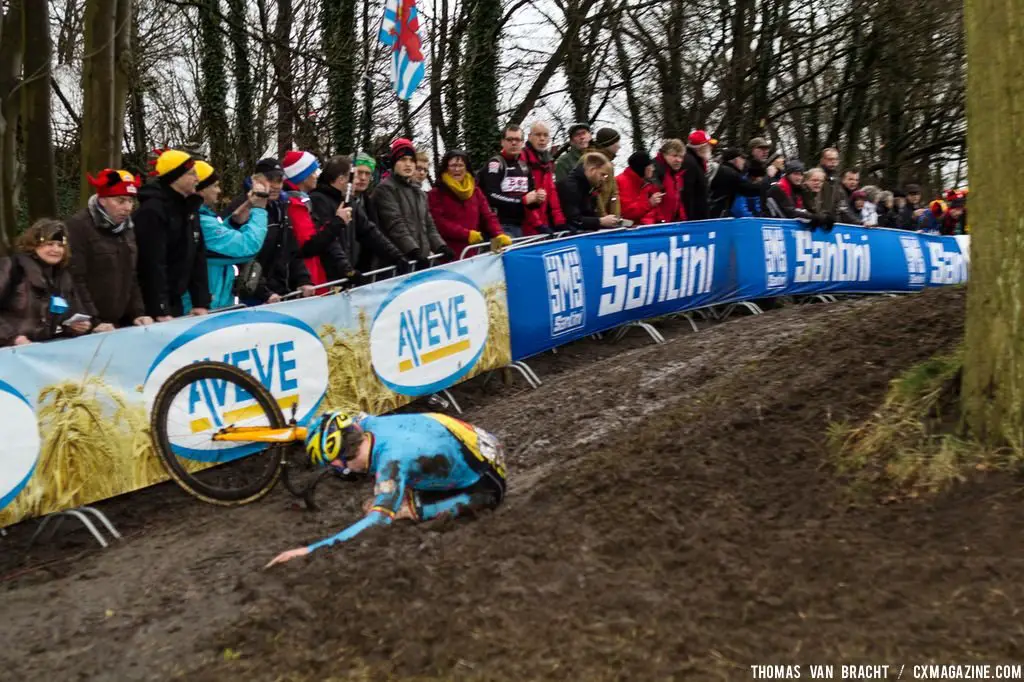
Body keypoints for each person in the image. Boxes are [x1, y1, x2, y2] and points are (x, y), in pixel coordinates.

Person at [265, 410, 507, 566]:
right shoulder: (366, 425)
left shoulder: (392, 461)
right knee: (382, 497)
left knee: (390, 511)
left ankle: (422, 504)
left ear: (339, 463)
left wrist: (308, 551)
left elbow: (377, 522)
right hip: (475, 444)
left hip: (486, 484)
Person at [65, 168, 152, 331]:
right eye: (121, 200)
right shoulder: (78, 226)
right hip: (89, 326)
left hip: (118, 323)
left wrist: (137, 313)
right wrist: (93, 321)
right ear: (103, 200)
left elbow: (131, 276)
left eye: (131, 201)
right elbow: (75, 280)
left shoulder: (127, 228)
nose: (128, 207)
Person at [224, 158, 315, 304]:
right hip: (251, 296)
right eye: (270, 180)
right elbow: (241, 255)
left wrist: (303, 279)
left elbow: (292, 251)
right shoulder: (241, 207)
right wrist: (263, 293)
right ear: (256, 180)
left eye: (279, 180)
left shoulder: (281, 208)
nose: (276, 186)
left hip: (280, 294)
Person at [134, 149, 210, 320]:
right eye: (192, 174)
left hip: (176, 301)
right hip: (152, 306)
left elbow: (198, 257)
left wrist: (201, 301)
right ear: (176, 177)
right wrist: (160, 308)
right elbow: (152, 264)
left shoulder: (190, 208)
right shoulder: (152, 211)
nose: (197, 179)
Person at [308, 155, 409, 278]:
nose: (357, 181)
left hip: (346, 272)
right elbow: (329, 242)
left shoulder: (349, 201)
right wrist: (347, 270)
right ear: (341, 179)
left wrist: (396, 256)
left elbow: (368, 231)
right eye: (355, 177)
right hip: (328, 277)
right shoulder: (319, 200)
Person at [190, 161, 269, 310]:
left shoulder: (202, 218)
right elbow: (247, 247)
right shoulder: (202, 222)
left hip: (214, 304)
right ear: (201, 190)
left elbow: (217, 247)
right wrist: (259, 209)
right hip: (202, 310)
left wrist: (235, 219)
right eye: (215, 186)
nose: (219, 191)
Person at [0, 219, 92, 346]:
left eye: (60, 245)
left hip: (45, 351)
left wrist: (75, 327)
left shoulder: (64, 276)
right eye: (50, 244)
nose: (56, 249)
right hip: (10, 353)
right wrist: (12, 338)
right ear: (34, 244)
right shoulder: (12, 268)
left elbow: (70, 313)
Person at [374, 138, 453, 268]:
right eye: (403, 159)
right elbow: (395, 225)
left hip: (420, 258)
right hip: (399, 263)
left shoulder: (419, 192)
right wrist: (413, 251)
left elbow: (429, 225)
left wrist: (441, 246)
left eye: (411, 160)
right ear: (394, 163)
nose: (408, 164)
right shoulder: (385, 189)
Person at [282, 149, 355, 286]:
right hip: (307, 279)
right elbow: (309, 246)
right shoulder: (295, 206)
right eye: (313, 172)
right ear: (302, 176)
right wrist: (338, 221)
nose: (317, 175)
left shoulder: (304, 202)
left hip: (312, 275)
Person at [428, 149, 511, 259]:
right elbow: (439, 222)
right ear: (446, 167)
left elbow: (488, 216)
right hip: (448, 254)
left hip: (473, 252)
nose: (457, 169)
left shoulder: (476, 191)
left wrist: (499, 234)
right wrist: (466, 234)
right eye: (453, 165)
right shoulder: (436, 193)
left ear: (466, 167)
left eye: (461, 165)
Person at [480, 124, 537, 238]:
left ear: (522, 142)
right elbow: (491, 195)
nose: (514, 143)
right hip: (499, 226)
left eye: (517, 140)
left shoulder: (524, 167)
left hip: (520, 225)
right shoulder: (495, 163)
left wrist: (537, 199)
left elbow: (529, 198)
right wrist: (521, 201)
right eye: (510, 139)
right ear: (502, 142)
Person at [521, 121, 566, 235]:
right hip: (525, 223)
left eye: (545, 135)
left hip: (542, 221)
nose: (542, 139)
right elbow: (522, 194)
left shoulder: (547, 162)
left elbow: (552, 192)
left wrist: (559, 222)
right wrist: (538, 224)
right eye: (538, 135)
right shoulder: (522, 158)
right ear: (530, 137)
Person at [556, 152, 620, 232]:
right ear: (592, 170)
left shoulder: (588, 187)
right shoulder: (570, 187)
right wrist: (600, 221)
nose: (604, 179)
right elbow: (573, 220)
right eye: (603, 175)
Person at [764, 160, 833, 230]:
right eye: (795, 174)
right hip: (774, 227)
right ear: (788, 174)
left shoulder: (799, 190)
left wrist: (821, 217)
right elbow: (790, 212)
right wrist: (815, 218)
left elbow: (807, 210)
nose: (799, 177)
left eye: (801, 174)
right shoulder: (778, 188)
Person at [707, 148, 762, 218]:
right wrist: (766, 184)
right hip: (715, 216)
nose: (744, 161)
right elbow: (749, 189)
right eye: (742, 158)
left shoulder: (724, 170)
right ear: (734, 159)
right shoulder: (730, 173)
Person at [616, 151, 662, 225]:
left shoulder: (644, 183)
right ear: (643, 168)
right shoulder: (621, 182)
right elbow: (627, 213)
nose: (653, 169)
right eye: (651, 166)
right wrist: (649, 203)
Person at [587, 127, 622, 218]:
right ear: (609, 144)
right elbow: (595, 192)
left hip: (606, 219)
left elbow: (614, 194)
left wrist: (616, 217)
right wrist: (602, 217)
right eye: (617, 142)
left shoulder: (609, 164)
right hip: (593, 217)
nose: (619, 146)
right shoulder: (592, 161)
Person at [681, 130, 716, 221]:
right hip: (694, 221)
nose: (711, 148)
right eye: (708, 146)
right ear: (700, 147)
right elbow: (687, 194)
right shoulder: (690, 163)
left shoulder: (698, 162)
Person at [651, 139, 686, 223]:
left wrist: (682, 219)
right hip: (658, 227)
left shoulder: (676, 174)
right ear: (664, 155)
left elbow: (677, 200)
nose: (679, 160)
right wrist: (661, 222)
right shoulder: (656, 171)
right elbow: (653, 202)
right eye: (675, 155)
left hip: (671, 224)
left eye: (681, 157)